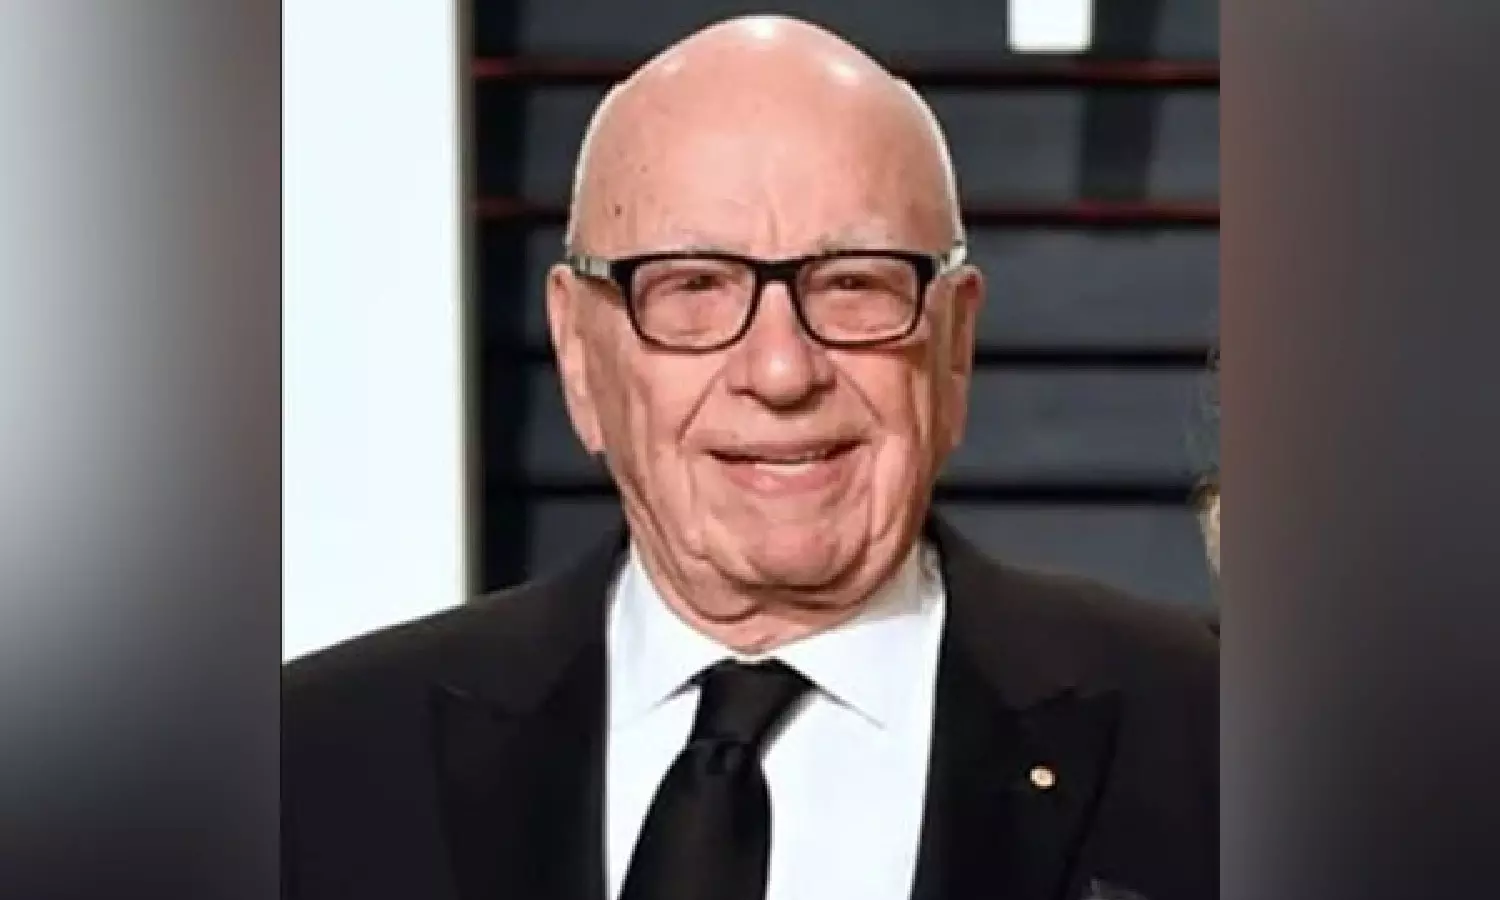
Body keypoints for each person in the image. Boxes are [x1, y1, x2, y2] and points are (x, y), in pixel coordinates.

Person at [283, 16, 1218, 900]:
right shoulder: (310, 765)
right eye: (693, 286)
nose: (780, 371)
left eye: (854, 284)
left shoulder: (1216, 737)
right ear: (576, 349)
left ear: (954, 343)